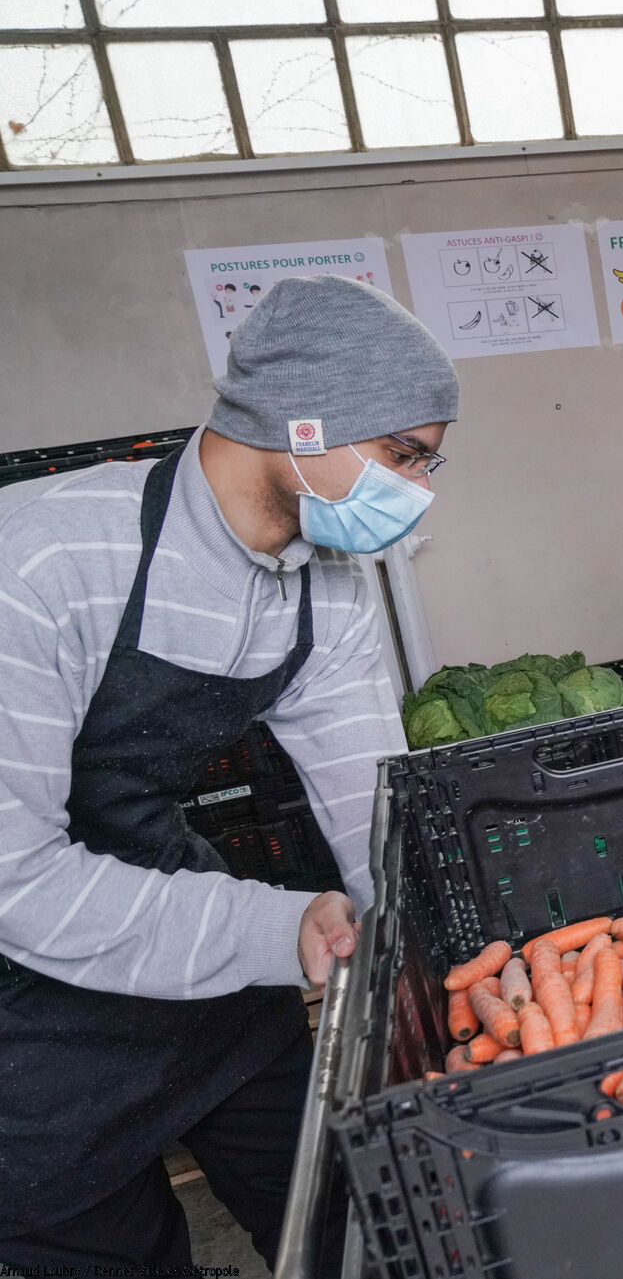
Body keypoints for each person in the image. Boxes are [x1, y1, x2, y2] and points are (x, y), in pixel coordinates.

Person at [0, 275, 458, 1270]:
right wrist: (276, 924)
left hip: (203, 969)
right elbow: (15, 880)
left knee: (352, 1228)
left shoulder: (323, 590)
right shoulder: (45, 564)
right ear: (302, 423)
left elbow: (373, 803)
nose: (419, 491)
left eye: (429, 462)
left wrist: (443, 961)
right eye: (403, 455)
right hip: (28, 1026)